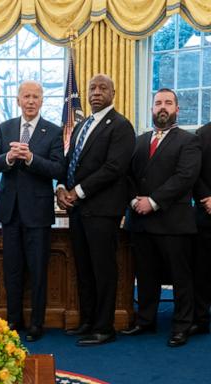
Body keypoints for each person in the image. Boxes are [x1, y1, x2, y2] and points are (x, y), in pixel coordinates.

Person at [57, 74, 135, 346]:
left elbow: (114, 168)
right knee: (84, 269)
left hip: (103, 212)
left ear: (113, 92)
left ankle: (104, 328)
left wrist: (76, 192)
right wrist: (60, 188)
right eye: (92, 88)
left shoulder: (121, 126)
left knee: (103, 270)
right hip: (79, 212)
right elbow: (69, 163)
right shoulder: (82, 125)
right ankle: (88, 321)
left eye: (103, 88)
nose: (96, 92)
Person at [122, 88, 201, 347]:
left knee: (181, 278)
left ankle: (182, 326)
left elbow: (184, 177)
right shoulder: (139, 140)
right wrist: (134, 200)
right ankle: (145, 321)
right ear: (152, 109)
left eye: (168, 103)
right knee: (145, 275)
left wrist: (153, 202)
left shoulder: (188, 141)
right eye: (158, 103)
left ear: (177, 109)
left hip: (173, 222)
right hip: (141, 222)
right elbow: (127, 175)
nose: (162, 107)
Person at [0, 80, 64, 342]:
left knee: (38, 270)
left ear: (42, 101)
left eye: (35, 97)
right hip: (10, 213)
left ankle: (37, 324)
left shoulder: (53, 131)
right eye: (26, 96)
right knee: (12, 270)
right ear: (18, 100)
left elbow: (58, 169)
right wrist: (9, 158)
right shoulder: (5, 127)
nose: (30, 101)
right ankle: (13, 320)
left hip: (38, 214)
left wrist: (31, 159)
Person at [191, 122, 211, 335]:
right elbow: (193, 173)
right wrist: (207, 199)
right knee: (202, 271)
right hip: (206, 214)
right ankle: (201, 319)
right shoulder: (201, 134)